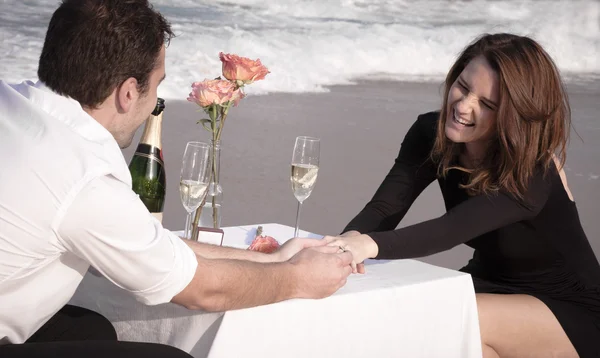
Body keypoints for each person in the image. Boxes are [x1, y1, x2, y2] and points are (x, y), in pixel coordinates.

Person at [0, 0, 353, 356]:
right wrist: (297, 279)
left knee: (91, 330)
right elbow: (202, 291)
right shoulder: (85, 176)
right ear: (127, 93)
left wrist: (272, 260)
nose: (155, 99)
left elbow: (151, 242)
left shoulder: (13, 103)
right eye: (156, 86)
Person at [325, 33, 600, 358]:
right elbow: (385, 207)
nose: (463, 107)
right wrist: (344, 245)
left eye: (486, 104)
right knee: (404, 318)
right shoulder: (431, 132)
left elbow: (450, 229)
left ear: (513, 115)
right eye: (463, 86)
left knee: (457, 321)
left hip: (567, 307)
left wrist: (368, 245)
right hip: (488, 281)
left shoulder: (533, 170)